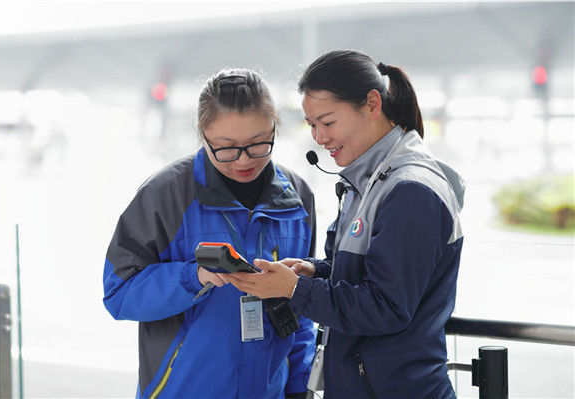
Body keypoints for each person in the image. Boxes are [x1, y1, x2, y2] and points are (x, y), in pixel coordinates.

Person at [226, 50, 465, 398]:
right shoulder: (367, 181)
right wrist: (313, 272)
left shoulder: (411, 191)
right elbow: (362, 274)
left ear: (371, 104)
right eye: (311, 125)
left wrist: (294, 290)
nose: (319, 138)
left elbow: (387, 307)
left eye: (328, 122)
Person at [103, 68, 317, 399]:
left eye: (259, 144)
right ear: (203, 134)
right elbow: (119, 294)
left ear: (275, 128)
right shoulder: (165, 196)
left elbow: (299, 311)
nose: (244, 160)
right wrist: (193, 276)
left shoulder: (298, 197)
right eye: (227, 147)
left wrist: (299, 388)